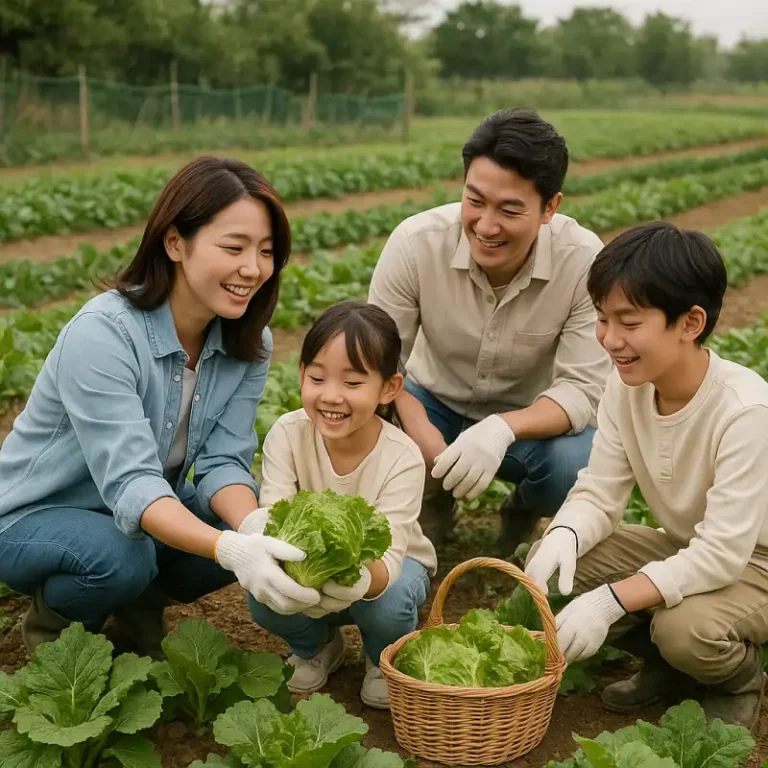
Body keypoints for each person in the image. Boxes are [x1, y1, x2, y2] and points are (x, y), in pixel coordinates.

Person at [0, 156, 322, 657]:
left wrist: (251, 530)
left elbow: (223, 461)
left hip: (139, 512)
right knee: (121, 555)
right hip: (33, 517)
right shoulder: (103, 334)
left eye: (266, 251)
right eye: (234, 247)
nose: (253, 268)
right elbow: (132, 482)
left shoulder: (248, 341)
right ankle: (56, 633)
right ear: (175, 243)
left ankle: (137, 612)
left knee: (247, 517)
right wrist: (230, 550)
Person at [525, 222, 768, 730]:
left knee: (685, 630)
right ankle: (668, 665)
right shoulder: (626, 386)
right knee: (561, 564)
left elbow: (723, 554)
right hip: (688, 543)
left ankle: (735, 676)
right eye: (602, 318)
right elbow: (600, 492)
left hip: (756, 563)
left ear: (690, 322)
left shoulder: (745, 412)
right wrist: (565, 533)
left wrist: (610, 601)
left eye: (629, 322)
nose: (610, 339)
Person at [368, 107, 611, 553]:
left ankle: (523, 508)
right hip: (431, 402)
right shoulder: (415, 243)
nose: (486, 226)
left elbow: (583, 389)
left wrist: (501, 428)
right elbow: (379, 362)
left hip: (528, 422)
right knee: (368, 417)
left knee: (578, 463)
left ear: (550, 207)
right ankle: (431, 499)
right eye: (475, 201)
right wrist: (427, 443)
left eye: (510, 209)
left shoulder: (583, 262)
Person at [247, 301, 437, 710]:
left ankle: (382, 659)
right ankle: (316, 647)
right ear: (302, 373)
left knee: (388, 605)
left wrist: (360, 580)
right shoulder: (287, 433)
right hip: (309, 562)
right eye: (317, 378)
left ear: (389, 388)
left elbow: (391, 555)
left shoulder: (402, 456)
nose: (331, 396)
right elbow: (274, 517)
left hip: (389, 570)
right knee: (262, 595)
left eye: (352, 383)